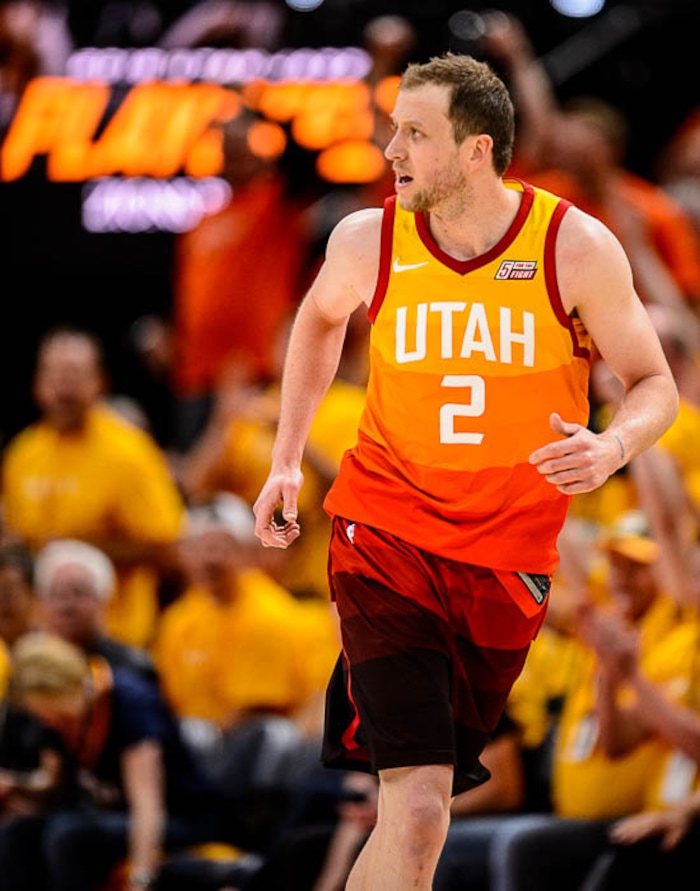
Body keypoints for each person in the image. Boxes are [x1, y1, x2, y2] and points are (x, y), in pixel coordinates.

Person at [252, 51, 678, 890]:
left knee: (423, 811)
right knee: (414, 806)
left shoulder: (571, 246)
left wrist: (613, 446)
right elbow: (318, 320)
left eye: (415, 133)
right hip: (385, 535)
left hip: (505, 557)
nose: (392, 149)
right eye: (393, 128)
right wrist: (285, 463)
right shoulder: (369, 238)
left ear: (477, 149)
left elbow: (654, 381)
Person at [0, 325, 187, 648]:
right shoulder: (23, 454)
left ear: (99, 383)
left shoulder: (130, 452)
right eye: (55, 376)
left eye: (74, 376)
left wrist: (80, 546)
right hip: (42, 636)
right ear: (38, 384)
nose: (64, 388)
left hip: (116, 635)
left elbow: (168, 545)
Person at [1, 630, 220, 891]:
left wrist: (141, 880)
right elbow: (53, 787)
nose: (52, 723)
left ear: (67, 687)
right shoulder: (54, 720)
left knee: (70, 834)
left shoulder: (130, 703)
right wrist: (15, 786)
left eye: (57, 716)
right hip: (107, 814)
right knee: (18, 833)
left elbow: (147, 806)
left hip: (178, 817)